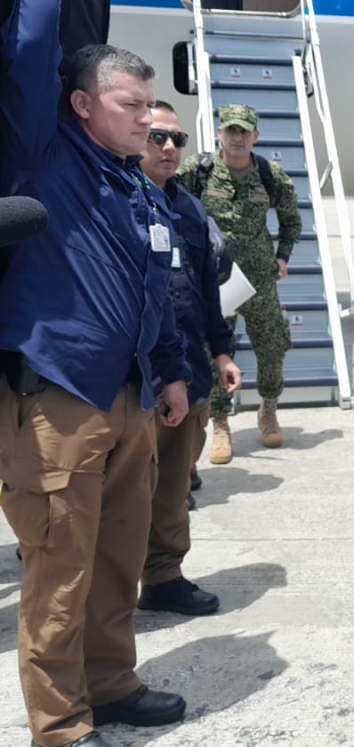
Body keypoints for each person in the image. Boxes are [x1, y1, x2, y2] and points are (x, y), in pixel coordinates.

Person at [0, 0, 193, 747]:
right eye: (132, 104)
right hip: (59, 395)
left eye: (153, 105)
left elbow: (161, 288)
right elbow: (32, 43)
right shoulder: (42, 153)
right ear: (81, 104)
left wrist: (174, 367)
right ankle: (60, 722)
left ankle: (112, 687)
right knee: (60, 568)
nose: (150, 120)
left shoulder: (135, 184)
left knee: (117, 556)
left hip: (133, 395)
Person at [136, 101, 241, 616]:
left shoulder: (192, 211)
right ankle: (103, 595)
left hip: (190, 374)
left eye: (177, 139)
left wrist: (221, 351)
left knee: (174, 488)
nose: (169, 149)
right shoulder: (115, 204)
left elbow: (207, 292)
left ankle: (163, 577)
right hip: (133, 380)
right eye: (157, 138)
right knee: (122, 495)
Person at [176, 102, 302, 464]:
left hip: (261, 278)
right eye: (230, 130)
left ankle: (269, 408)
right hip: (217, 281)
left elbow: (291, 219)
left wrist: (283, 256)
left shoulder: (269, 174)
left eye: (244, 131)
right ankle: (220, 423)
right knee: (215, 352)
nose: (236, 137)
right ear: (219, 133)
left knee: (272, 346)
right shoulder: (197, 172)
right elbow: (170, 206)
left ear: (255, 136)